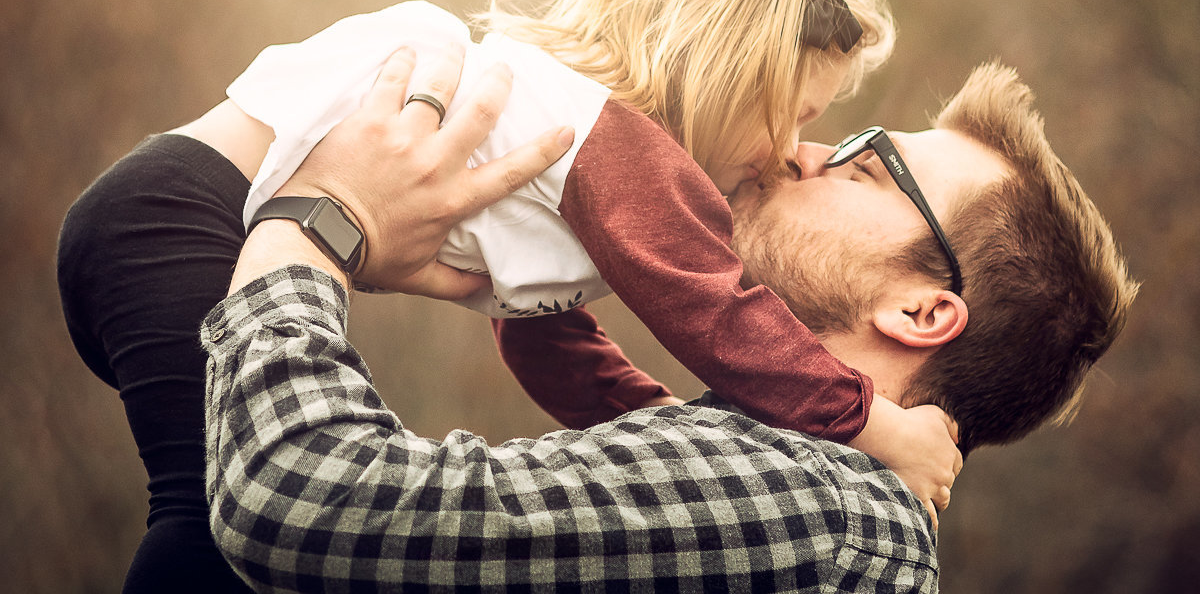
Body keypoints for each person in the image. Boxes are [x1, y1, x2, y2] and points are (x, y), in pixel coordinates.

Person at [194, 50, 1134, 591]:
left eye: (864, 169)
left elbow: (301, 495)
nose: (800, 153)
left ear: (922, 311)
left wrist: (317, 217)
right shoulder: (805, 500)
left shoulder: (813, 502)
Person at [212, 0, 959, 507]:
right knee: (207, 522)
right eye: (793, 113)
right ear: (727, 64)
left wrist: (661, 420)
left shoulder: (578, 154)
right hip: (194, 212)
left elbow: (546, 340)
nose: (788, 150)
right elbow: (721, 319)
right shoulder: (616, 144)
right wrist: (879, 426)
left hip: (202, 230)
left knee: (197, 508)